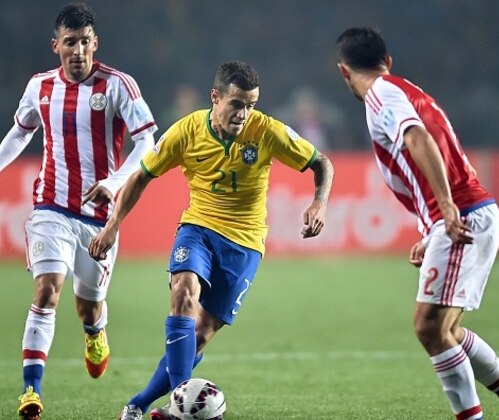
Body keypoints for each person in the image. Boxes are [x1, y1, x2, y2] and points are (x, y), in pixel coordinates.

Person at [88, 60, 334, 420]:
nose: (244, 114)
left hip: (245, 244)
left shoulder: (267, 131)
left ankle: (139, 404)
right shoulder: (186, 131)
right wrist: (112, 226)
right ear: (215, 97)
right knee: (183, 292)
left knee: (200, 334)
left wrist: (319, 202)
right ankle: (179, 407)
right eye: (237, 104)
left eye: (251, 105)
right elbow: (141, 176)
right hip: (199, 229)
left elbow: (322, 163)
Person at [335, 27, 499, 420]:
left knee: (429, 328)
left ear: (343, 71)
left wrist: (445, 209)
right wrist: (429, 226)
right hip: (464, 214)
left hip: (463, 214)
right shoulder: (404, 88)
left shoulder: (381, 93)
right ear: (388, 60)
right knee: (445, 330)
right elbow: (431, 149)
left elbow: (417, 139)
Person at [0, 3, 158, 419]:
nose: (78, 50)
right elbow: (20, 132)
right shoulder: (40, 87)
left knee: (88, 305)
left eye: (85, 41)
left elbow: (148, 143)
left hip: (98, 217)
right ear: (56, 46)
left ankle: (95, 330)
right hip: (50, 204)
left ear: (95, 43)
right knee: (47, 289)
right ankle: (31, 392)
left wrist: (114, 181)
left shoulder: (119, 85)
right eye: (70, 42)